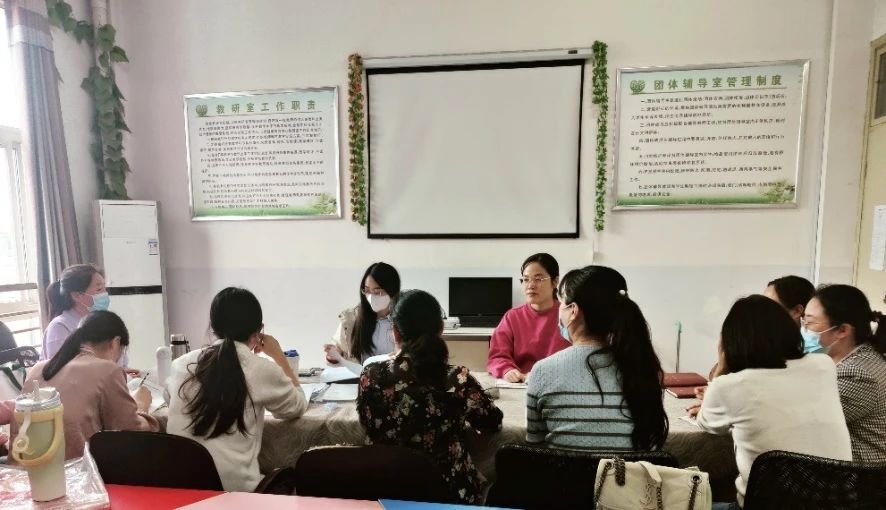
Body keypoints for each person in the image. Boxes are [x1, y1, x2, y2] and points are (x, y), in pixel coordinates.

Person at [698, 295, 852, 509]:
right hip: (833, 503)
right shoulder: (823, 365)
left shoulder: (729, 385)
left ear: (729, 342)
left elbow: (706, 423)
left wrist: (721, 370)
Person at [357, 290, 503, 504]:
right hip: (448, 496)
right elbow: (492, 422)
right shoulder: (457, 379)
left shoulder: (371, 376)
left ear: (395, 332)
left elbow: (366, 422)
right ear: (441, 329)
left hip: (385, 494)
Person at [166, 287, 307, 492]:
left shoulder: (181, 364)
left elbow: (169, 398)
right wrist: (278, 355)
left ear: (213, 327)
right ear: (258, 331)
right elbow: (297, 406)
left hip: (182, 491)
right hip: (237, 494)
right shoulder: (260, 369)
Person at [527, 265, 668, 452]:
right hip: (629, 472)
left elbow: (535, 448)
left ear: (573, 311)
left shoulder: (542, 371)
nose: (559, 309)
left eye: (561, 302)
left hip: (562, 472)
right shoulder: (643, 367)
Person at [9, 311, 158, 459]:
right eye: (121, 351)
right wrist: (141, 405)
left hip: (22, 468)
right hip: (75, 470)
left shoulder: (37, 368)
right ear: (115, 343)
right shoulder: (108, 370)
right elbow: (132, 432)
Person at [803, 284, 886, 463]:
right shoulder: (856, 355)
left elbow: (806, 421)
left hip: (856, 473)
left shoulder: (858, 373)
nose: (804, 330)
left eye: (809, 323)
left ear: (842, 330)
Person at [487, 253, 569, 382]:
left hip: (557, 382)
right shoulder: (512, 317)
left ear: (555, 281)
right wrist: (507, 370)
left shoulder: (568, 315)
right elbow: (497, 356)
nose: (530, 285)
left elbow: (579, 355)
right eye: (526, 279)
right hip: (520, 383)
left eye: (538, 279)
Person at [41, 264, 129, 369]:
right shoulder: (59, 327)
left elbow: (120, 362)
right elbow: (61, 372)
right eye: (99, 289)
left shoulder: (105, 323)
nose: (105, 294)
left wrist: (124, 372)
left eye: (104, 288)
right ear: (76, 295)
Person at [324, 262, 400, 371]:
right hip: (360, 380)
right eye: (367, 291)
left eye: (377, 292)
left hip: (397, 380)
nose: (371, 297)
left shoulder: (404, 320)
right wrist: (333, 355)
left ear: (392, 291)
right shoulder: (351, 319)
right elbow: (339, 351)